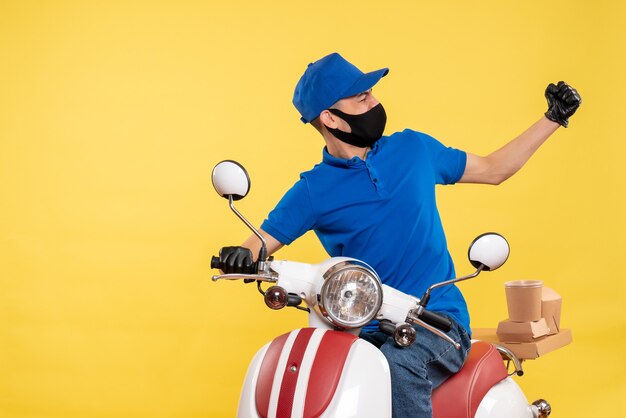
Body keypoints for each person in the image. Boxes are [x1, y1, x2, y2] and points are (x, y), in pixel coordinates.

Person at [216, 52, 581, 417]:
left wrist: (553, 118)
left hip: (435, 321)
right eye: (362, 98)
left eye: (372, 93)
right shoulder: (314, 189)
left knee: (398, 368)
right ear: (330, 118)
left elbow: (494, 169)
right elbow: (261, 241)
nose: (375, 102)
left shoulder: (413, 149)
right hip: (362, 329)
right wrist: (240, 255)